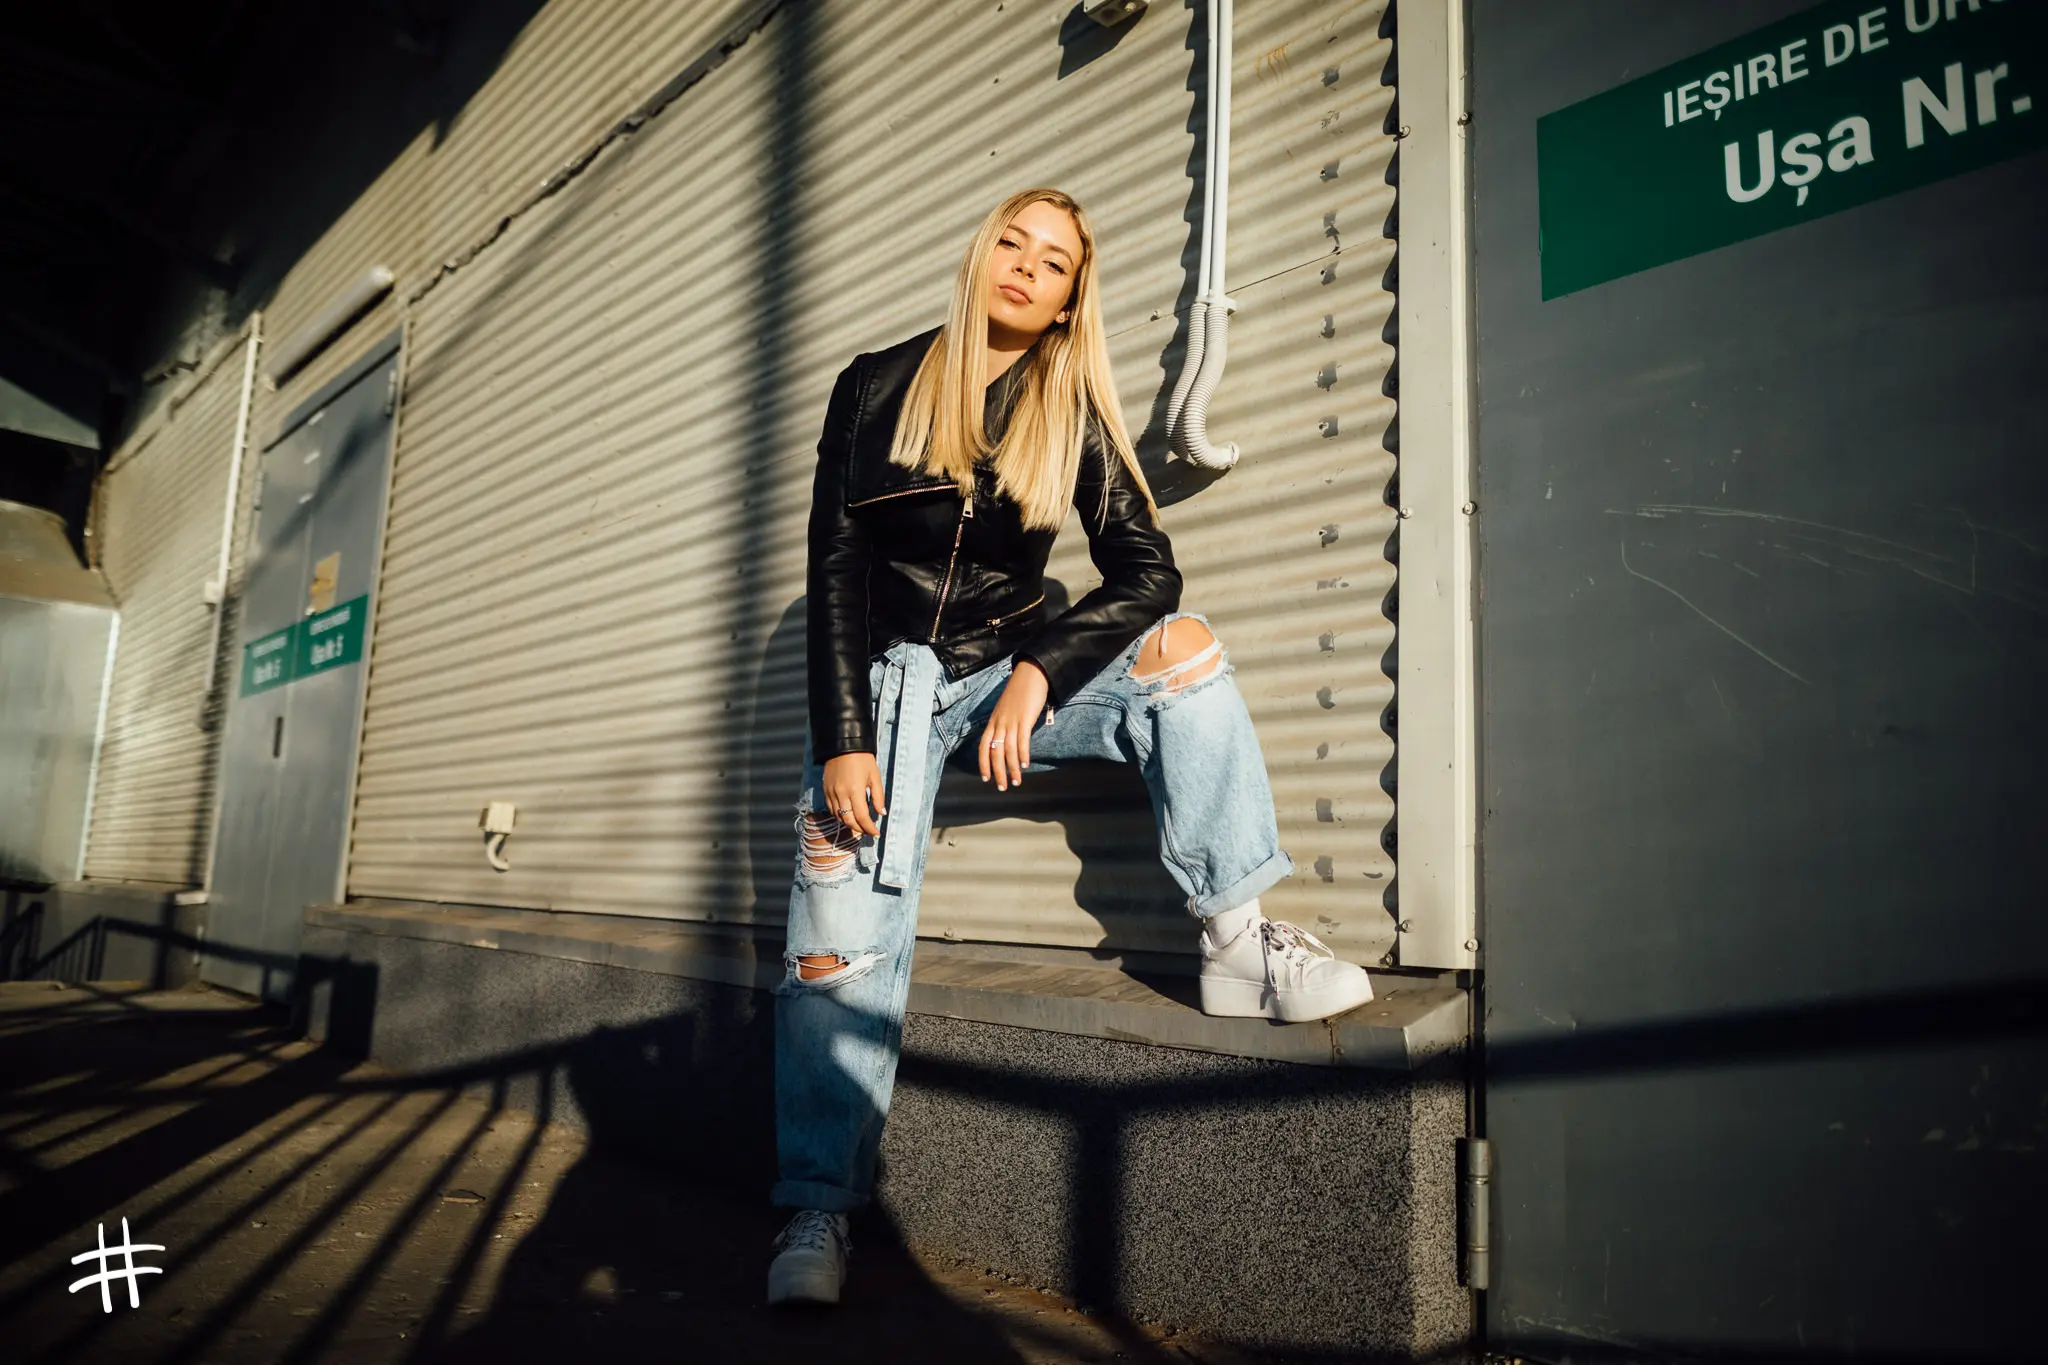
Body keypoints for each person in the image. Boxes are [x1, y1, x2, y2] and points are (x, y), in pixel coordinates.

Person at [767, 187, 1375, 1307]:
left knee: (1184, 652)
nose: (1025, 266)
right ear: (979, 254)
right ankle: (818, 1205)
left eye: (1052, 263)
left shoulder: (1069, 408)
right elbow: (835, 568)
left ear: (1065, 302)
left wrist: (1041, 669)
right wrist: (845, 737)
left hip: (1004, 674)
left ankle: (1235, 940)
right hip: (884, 690)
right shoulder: (875, 384)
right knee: (832, 953)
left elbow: (1147, 571)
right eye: (1012, 242)